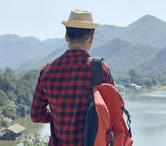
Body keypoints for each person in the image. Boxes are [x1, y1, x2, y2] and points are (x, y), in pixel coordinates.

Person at [31, 9, 114, 146]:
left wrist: (59, 116)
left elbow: (36, 115)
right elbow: (112, 115)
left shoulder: (47, 71)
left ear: (66, 36)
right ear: (91, 38)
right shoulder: (99, 69)